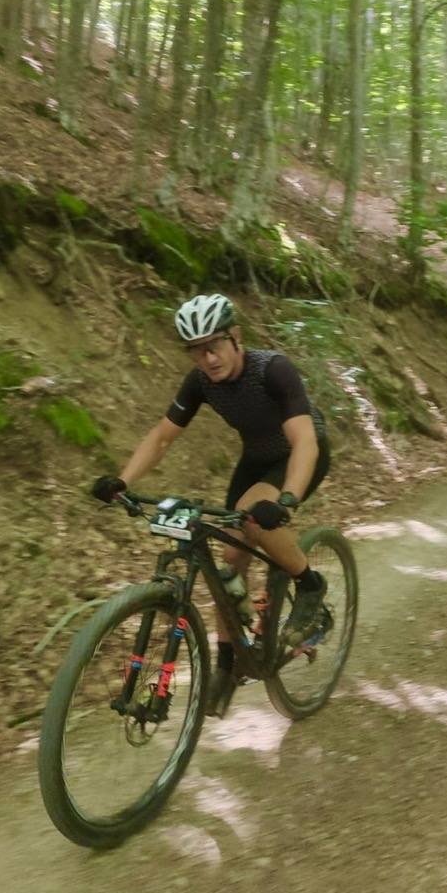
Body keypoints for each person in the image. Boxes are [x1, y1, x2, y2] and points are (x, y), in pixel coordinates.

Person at [92, 293, 330, 719]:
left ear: (235, 337)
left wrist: (289, 498)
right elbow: (163, 436)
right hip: (256, 459)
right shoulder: (200, 382)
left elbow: (304, 440)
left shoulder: (272, 370)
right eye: (196, 350)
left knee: (256, 516)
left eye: (213, 345)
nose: (207, 358)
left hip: (298, 456)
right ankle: (226, 663)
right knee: (230, 556)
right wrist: (123, 480)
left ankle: (309, 584)